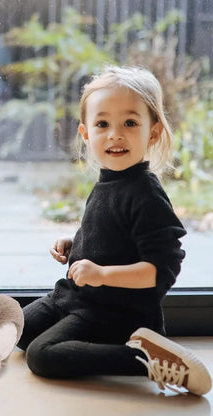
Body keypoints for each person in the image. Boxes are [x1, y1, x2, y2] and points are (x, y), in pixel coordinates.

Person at [17, 66, 212, 395]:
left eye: (130, 123)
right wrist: (74, 244)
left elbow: (159, 271)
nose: (115, 134)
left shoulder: (146, 194)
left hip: (113, 310)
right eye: (103, 124)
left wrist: (102, 274)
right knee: (19, 329)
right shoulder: (109, 181)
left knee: (41, 356)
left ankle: (145, 358)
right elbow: (110, 235)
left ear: (152, 132)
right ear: (86, 133)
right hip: (75, 296)